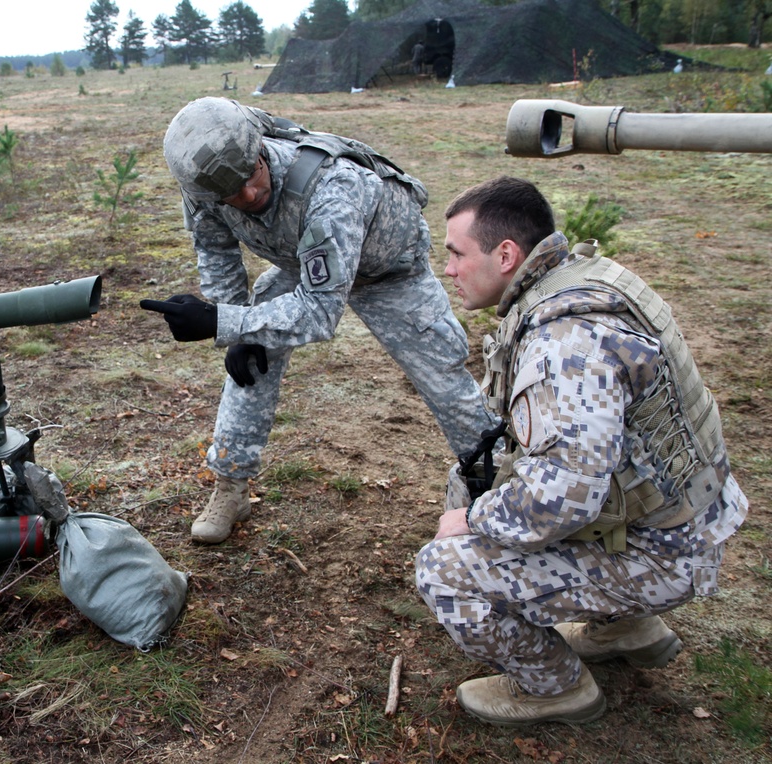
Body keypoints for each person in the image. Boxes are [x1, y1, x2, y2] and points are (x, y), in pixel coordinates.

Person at [415, 176, 748, 726]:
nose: (447, 270)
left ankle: (556, 688)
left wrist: (470, 518)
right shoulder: (588, 279)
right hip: (687, 517)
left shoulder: (564, 344)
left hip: (664, 552)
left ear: (506, 255)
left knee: (443, 569)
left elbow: (559, 502)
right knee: (475, 476)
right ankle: (626, 626)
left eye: (455, 254)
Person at [140, 97, 500, 544]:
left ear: (260, 150)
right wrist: (232, 323)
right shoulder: (205, 189)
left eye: (252, 174)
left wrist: (222, 321)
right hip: (302, 261)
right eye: (232, 193)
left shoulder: (332, 187)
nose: (248, 195)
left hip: (388, 271)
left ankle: (499, 488)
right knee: (249, 361)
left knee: (445, 380)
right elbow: (215, 251)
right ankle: (230, 487)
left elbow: (319, 311)